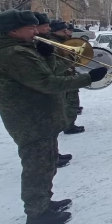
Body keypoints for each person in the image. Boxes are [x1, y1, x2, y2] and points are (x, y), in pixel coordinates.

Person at [0, 9, 106, 224]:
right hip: (31, 120)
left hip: (41, 117)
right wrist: (87, 79)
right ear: (14, 32)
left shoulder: (23, 49)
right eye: (31, 28)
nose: (37, 31)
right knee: (37, 168)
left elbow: (48, 72)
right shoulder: (13, 54)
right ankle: (37, 212)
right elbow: (48, 83)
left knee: (46, 164)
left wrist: (48, 56)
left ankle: (44, 201)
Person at [33, 13, 72, 167]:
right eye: (45, 26)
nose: (48, 29)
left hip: (54, 89)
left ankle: (53, 155)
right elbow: (50, 72)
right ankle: (49, 159)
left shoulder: (43, 42)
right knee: (42, 134)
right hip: (42, 96)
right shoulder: (21, 50)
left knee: (50, 131)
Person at [48, 20, 84, 134]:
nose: (67, 33)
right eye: (64, 31)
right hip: (62, 78)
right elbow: (57, 64)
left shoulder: (62, 41)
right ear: (55, 31)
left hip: (67, 76)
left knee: (69, 103)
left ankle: (69, 124)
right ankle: (68, 126)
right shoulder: (54, 43)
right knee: (69, 103)